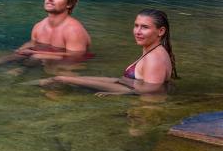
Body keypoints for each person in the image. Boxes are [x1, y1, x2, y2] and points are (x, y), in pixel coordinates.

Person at [41, 9, 177, 96]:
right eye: (136, 26)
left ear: (161, 31)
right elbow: (126, 82)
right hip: (126, 86)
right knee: (63, 78)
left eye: (145, 27)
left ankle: (26, 87)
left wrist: (116, 94)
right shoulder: (154, 51)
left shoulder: (155, 58)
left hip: (142, 109)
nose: (138, 32)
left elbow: (151, 90)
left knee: (61, 79)